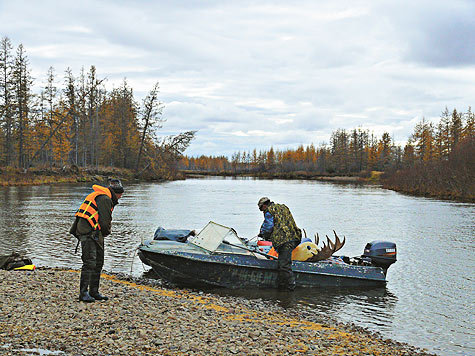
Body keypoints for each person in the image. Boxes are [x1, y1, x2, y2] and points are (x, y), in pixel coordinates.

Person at [70, 178, 124, 302]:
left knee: (98, 262)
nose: (121, 197)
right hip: (88, 232)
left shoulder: (103, 195)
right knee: (90, 263)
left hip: (94, 232)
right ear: (117, 193)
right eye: (121, 194)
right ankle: (83, 293)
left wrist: (101, 234)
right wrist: (106, 233)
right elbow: (105, 222)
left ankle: (94, 292)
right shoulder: (105, 199)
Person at [257, 197, 302, 291]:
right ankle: (281, 286)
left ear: (264, 205)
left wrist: (263, 234)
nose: (262, 211)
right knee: (283, 262)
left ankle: (290, 289)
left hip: (284, 241)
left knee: (284, 265)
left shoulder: (269, 211)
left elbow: (268, 226)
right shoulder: (283, 207)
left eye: (261, 209)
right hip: (295, 237)